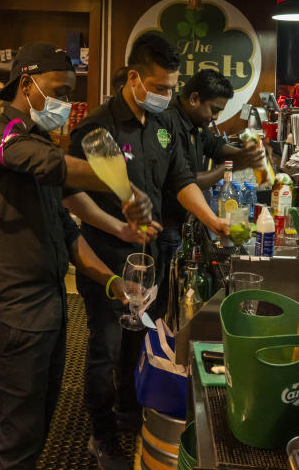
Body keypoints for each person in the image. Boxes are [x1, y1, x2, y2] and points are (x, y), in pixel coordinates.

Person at [0, 43, 155, 470]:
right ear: (26, 84)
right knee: (18, 440)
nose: (65, 103)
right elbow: (54, 167)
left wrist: (111, 280)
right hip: (8, 314)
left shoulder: (34, 139)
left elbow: (66, 227)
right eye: (58, 91)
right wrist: (123, 188)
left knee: (37, 427)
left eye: (70, 94)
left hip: (47, 310)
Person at [65, 33, 229, 470]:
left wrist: (212, 221)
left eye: (171, 88)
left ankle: (129, 413)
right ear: (134, 78)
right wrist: (119, 225)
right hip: (108, 258)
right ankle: (100, 437)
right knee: (106, 346)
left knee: (140, 345)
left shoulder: (164, 125)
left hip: (152, 258)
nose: (167, 96)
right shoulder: (98, 128)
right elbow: (69, 197)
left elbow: (181, 181)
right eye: (159, 88)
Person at [152, 69, 267, 318]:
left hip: (181, 225)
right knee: (159, 303)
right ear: (194, 98)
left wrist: (242, 155)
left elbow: (216, 147)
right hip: (164, 228)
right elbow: (181, 181)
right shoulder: (168, 122)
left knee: (171, 302)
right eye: (213, 109)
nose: (214, 118)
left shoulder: (195, 124)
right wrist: (226, 169)